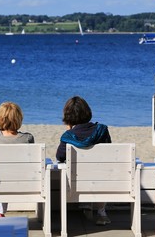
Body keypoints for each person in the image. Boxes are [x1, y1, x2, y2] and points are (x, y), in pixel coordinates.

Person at [55, 96, 112, 226]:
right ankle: (101, 212)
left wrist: (69, 131)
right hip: (101, 179)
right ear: (87, 112)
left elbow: (60, 156)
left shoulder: (68, 136)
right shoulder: (102, 130)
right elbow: (109, 152)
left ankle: (86, 204)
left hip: (77, 182)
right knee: (100, 170)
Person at [0, 101, 34, 218]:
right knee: (9, 171)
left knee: (0, 172)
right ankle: (0, 212)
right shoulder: (28, 138)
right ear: (19, 118)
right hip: (23, 183)